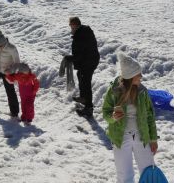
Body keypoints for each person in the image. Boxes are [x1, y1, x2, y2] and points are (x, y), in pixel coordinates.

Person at [102, 53, 158, 182]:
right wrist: (113, 117)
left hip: (141, 136)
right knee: (124, 174)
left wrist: (153, 139)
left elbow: (150, 115)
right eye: (138, 74)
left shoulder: (142, 91)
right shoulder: (114, 91)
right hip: (121, 137)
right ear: (130, 77)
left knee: (148, 171)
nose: (141, 77)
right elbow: (106, 113)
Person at [66, 17, 100, 118]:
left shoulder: (80, 35)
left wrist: (70, 58)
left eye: (72, 26)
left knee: (86, 83)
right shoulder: (83, 31)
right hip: (90, 60)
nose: (71, 28)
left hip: (88, 62)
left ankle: (88, 108)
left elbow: (79, 55)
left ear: (76, 25)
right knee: (80, 76)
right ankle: (83, 98)